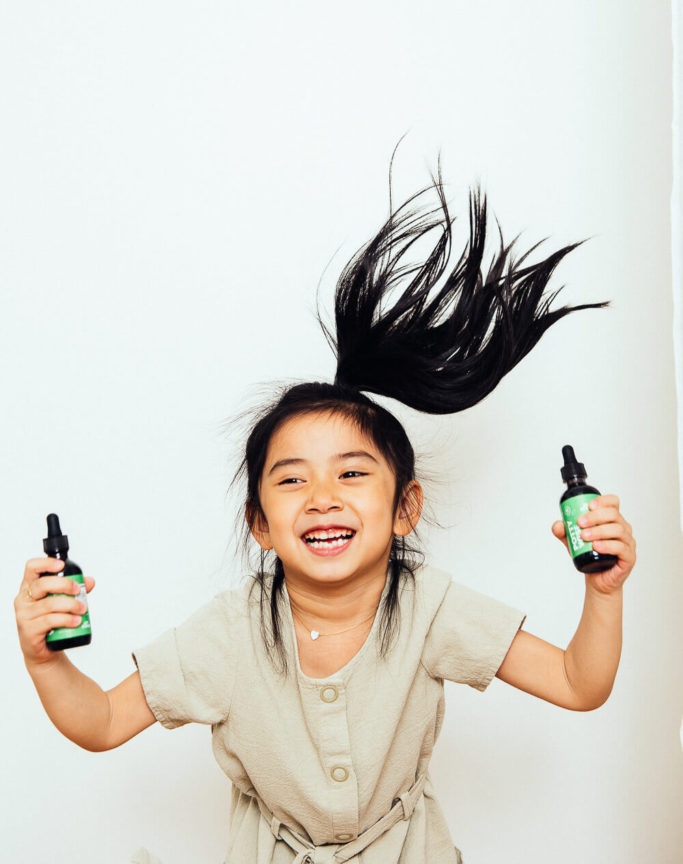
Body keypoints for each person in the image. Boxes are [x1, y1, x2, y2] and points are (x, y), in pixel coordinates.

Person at [14, 165, 636, 864]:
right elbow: (99, 722)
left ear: (404, 509)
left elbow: (580, 684)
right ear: (260, 523)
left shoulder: (430, 608)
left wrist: (601, 589)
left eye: (350, 473)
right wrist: (44, 662)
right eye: (291, 480)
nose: (322, 496)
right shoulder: (228, 633)